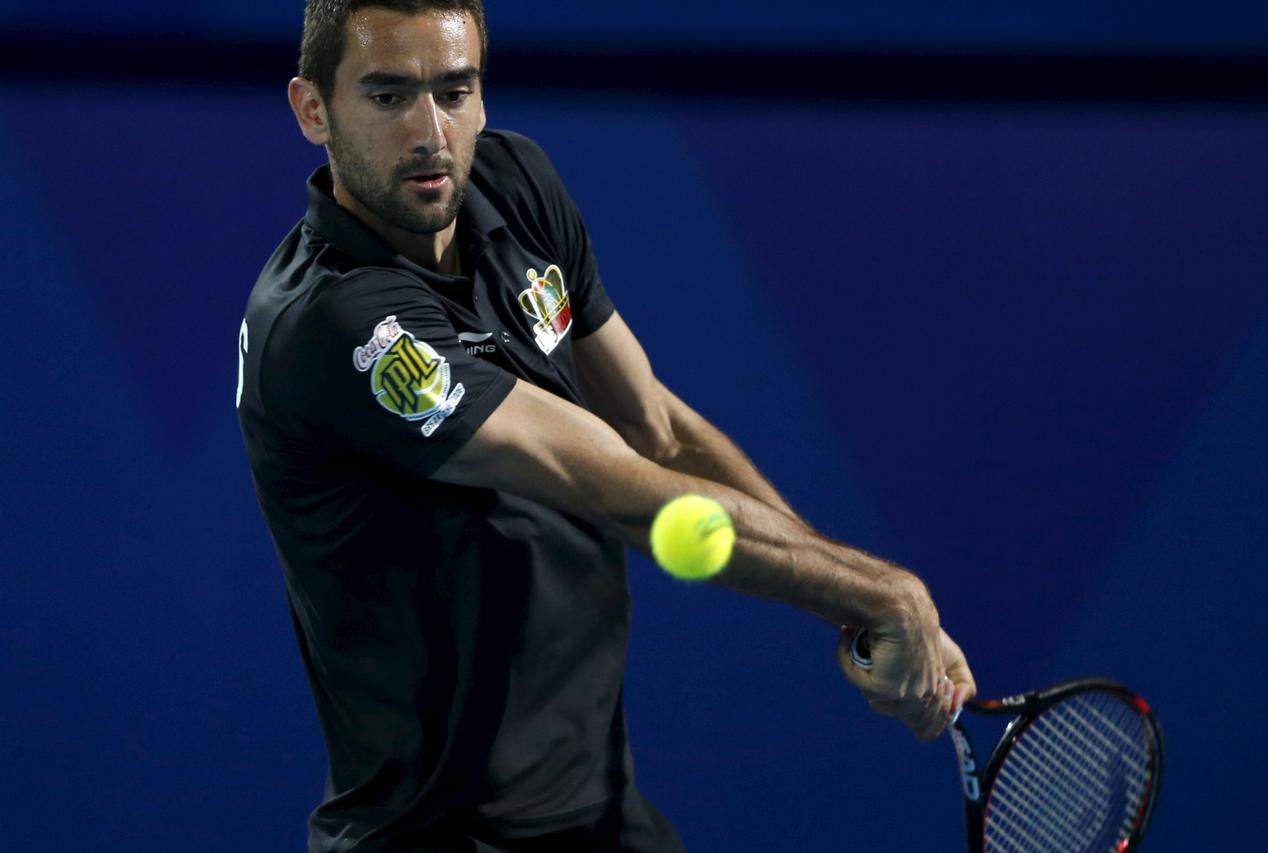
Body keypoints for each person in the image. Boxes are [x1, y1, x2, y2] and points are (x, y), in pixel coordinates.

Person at [236, 2, 977, 850]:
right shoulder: (339, 325)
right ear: (312, 110)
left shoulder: (514, 185)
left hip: (596, 813)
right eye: (389, 95)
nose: (430, 132)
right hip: (437, 833)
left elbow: (655, 425)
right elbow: (625, 490)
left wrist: (850, 607)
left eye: (454, 90)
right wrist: (885, 593)